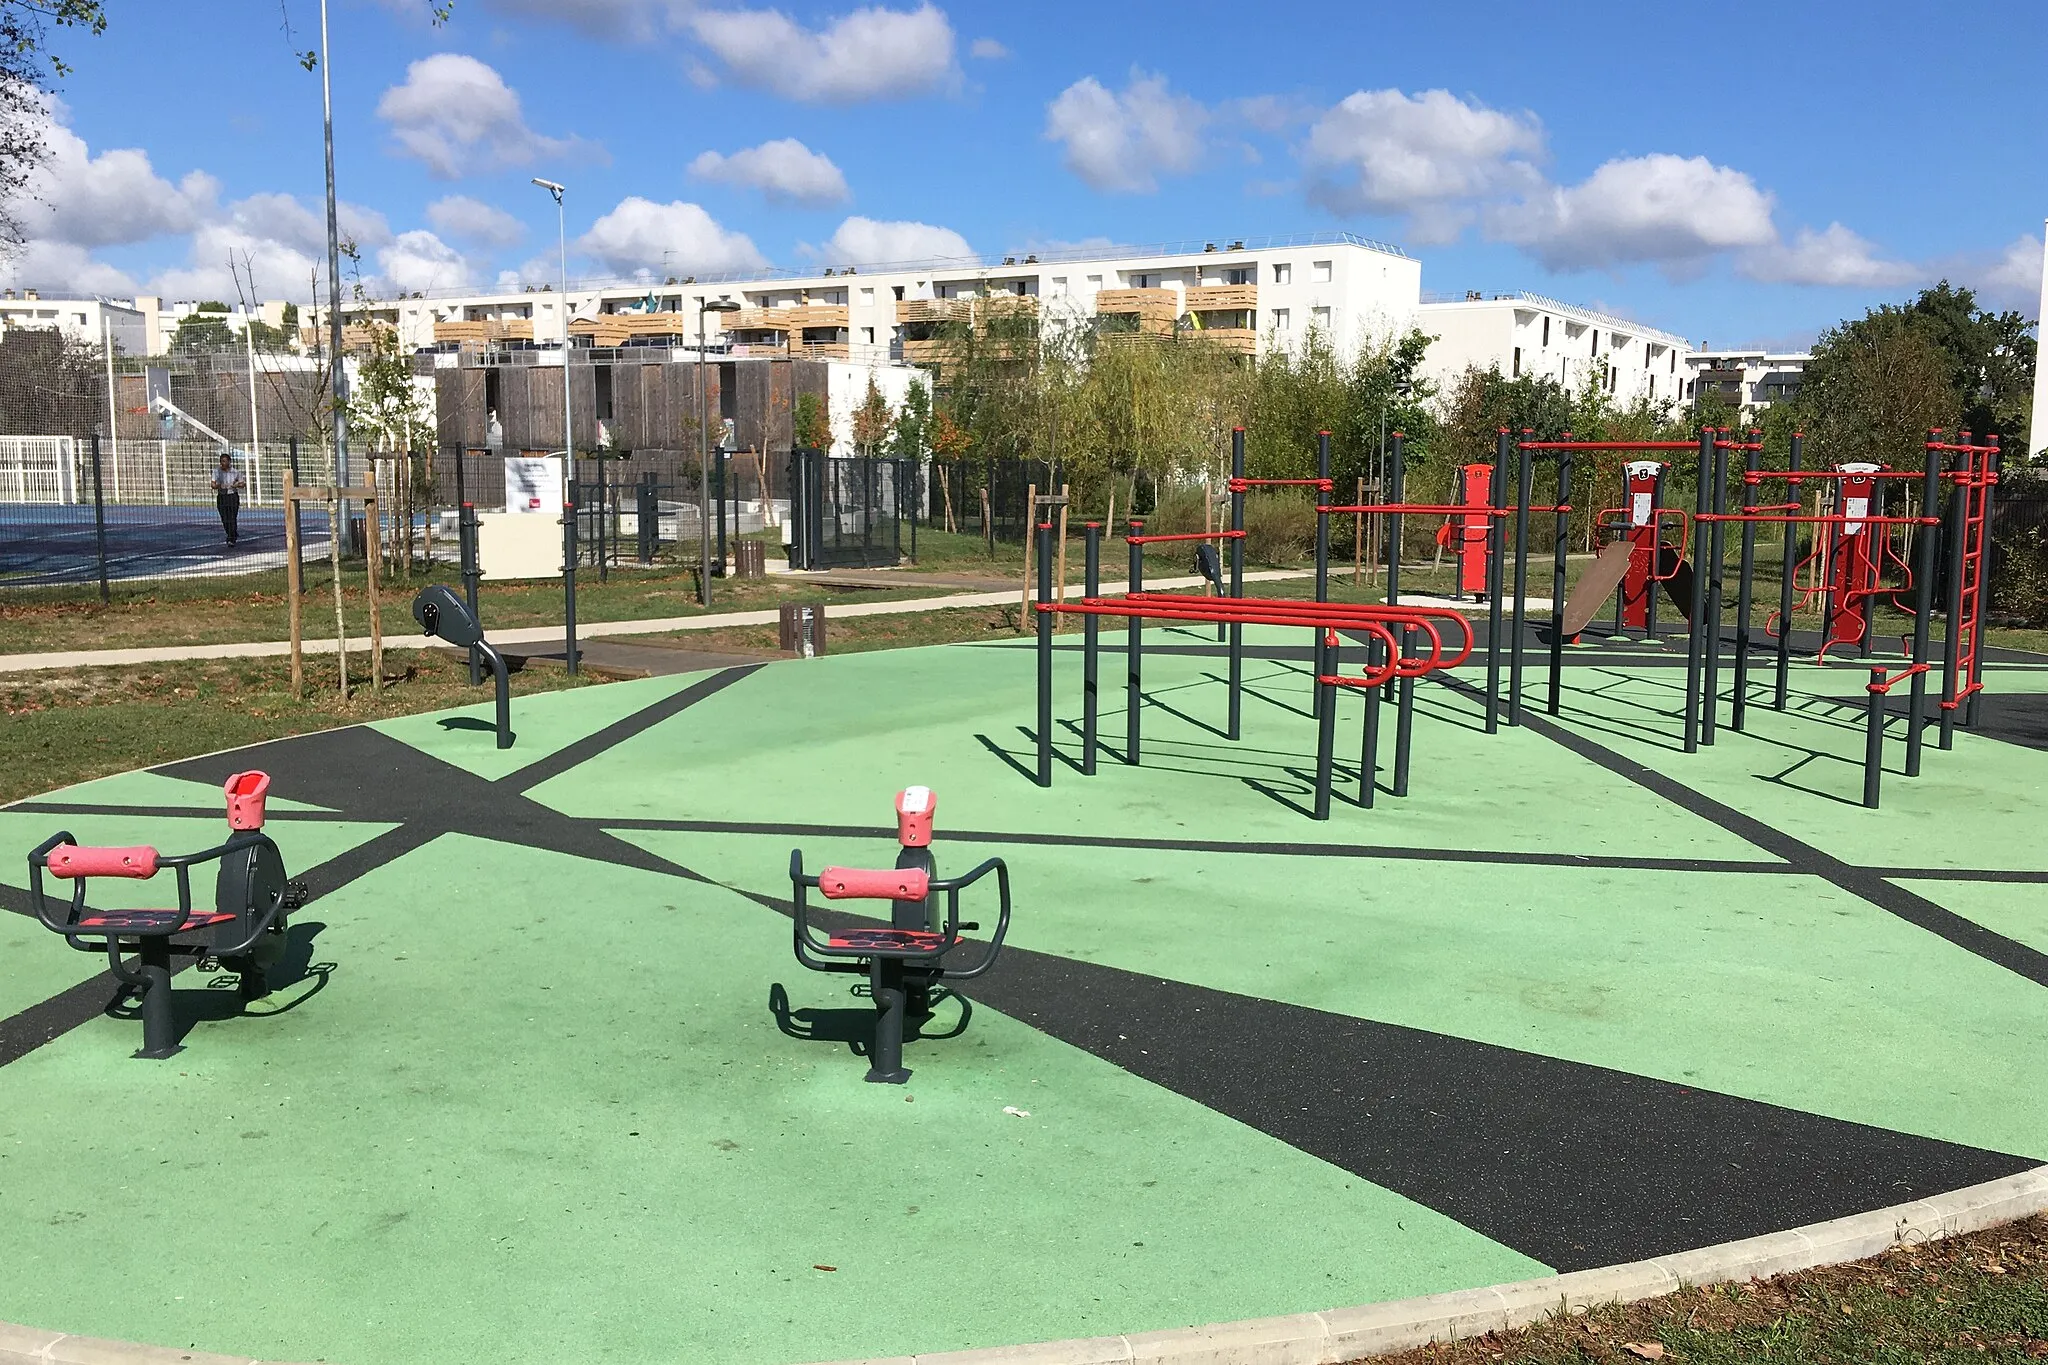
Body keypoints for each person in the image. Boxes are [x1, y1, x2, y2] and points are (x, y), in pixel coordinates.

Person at [210, 451, 245, 545]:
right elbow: (213, 484)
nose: (222, 463)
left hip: (232, 496)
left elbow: (242, 483)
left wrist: (237, 484)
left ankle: (231, 537)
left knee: (232, 517)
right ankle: (231, 532)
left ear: (229, 462)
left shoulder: (235, 472)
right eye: (221, 461)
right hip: (222, 496)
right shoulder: (217, 471)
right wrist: (219, 486)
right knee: (224, 518)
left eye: (224, 461)